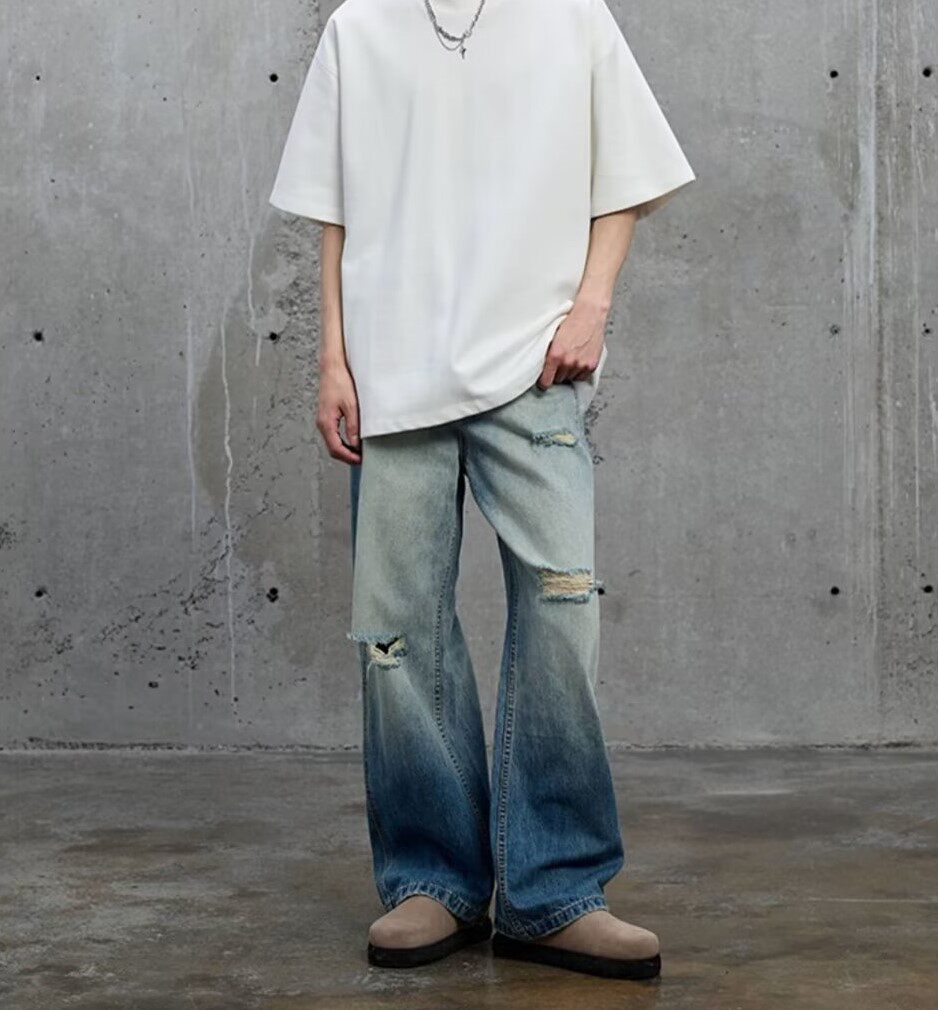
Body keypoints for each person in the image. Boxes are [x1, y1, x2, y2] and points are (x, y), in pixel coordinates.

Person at [270, 0, 695, 981]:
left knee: (560, 612)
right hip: (391, 369)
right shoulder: (359, 27)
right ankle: (434, 880)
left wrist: (592, 307)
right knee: (399, 633)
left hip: (533, 362)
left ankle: (554, 889)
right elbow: (333, 211)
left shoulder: (569, 16)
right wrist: (332, 358)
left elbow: (626, 174)